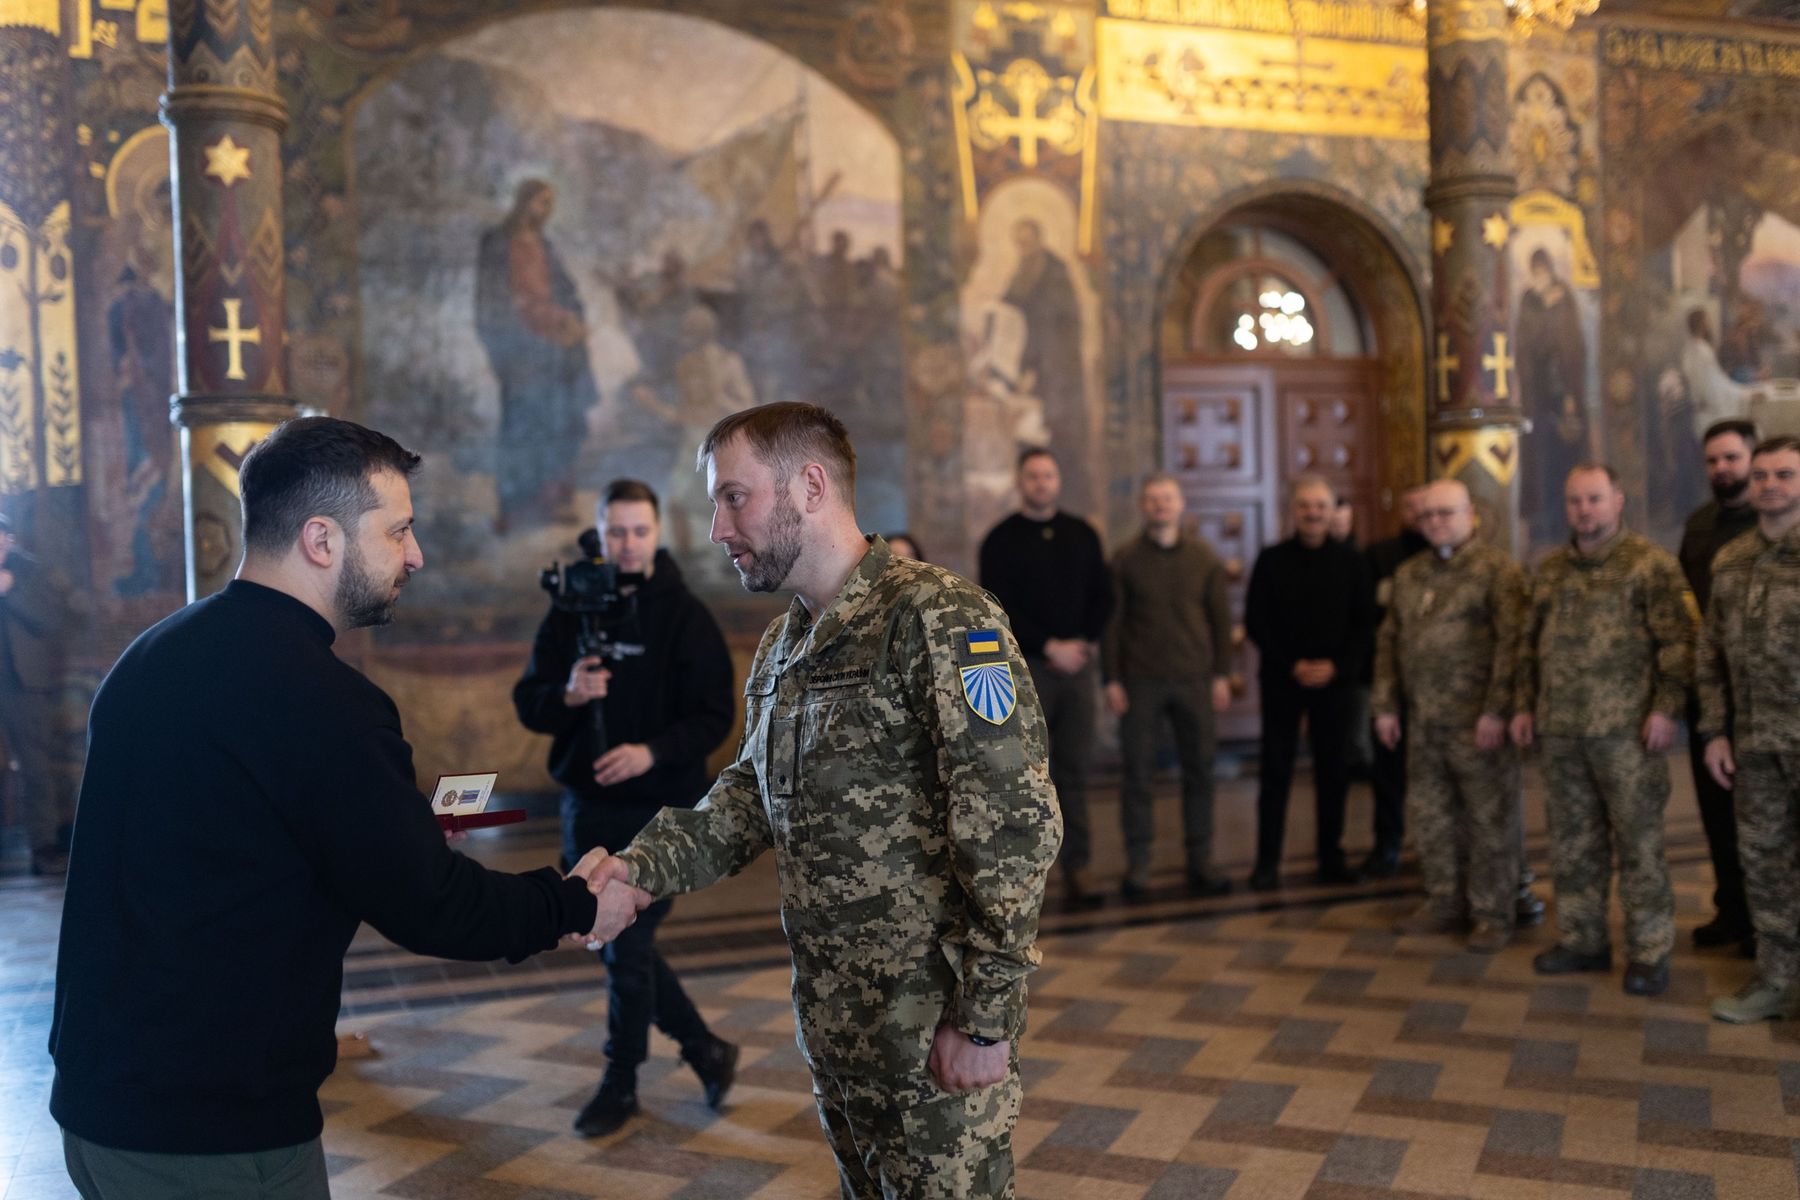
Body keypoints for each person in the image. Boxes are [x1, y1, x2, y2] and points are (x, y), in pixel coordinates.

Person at [49, 418, 616, 1199]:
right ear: (322, 539)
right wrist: (577, 900)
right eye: (398, 531)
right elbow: (437, 908)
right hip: (211, 1133)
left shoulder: (150, 655)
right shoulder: (327, 703)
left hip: (103, 1101)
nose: (415, 555)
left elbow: (237, 835)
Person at [580, 402, 1059, 1196]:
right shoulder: (784, 642)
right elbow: (749, 796)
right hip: (837, 1029)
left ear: (809, 485)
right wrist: (638, 871)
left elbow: (1013, 824)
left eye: (734, 497)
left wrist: (984, 1016)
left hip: (929, 1027)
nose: (716, 529)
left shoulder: (938, 618)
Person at [512, 479, 739, 1138]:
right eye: (616, 532)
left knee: (627, 943)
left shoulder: (685, 615)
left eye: (640, 532)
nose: (628, 544)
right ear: (600, 532)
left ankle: (620, 1080)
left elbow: (714, 716)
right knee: (613, 941)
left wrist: (650, 752)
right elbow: (530, 700)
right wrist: (570, 695)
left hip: (660, 813)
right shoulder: (573, 609)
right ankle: (706, 1050)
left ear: (658, 532)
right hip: (588, 809)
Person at [1512, 465, 1695, 997]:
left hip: (1627, 733)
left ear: (1618, 500)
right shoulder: (1549, 572)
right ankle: (1583, 939)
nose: (1584, 510)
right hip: (1563, 732)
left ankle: (1649, 950)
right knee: (1572, 843)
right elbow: (1529, 646)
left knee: (1639, 844)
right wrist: (1524, 706)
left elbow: (1679, 644)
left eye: (1594, 499)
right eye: (1574, 501)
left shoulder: (1650, 565)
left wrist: (1666, 709)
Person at [1374, 479, 1528, 954]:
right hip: (1423, 723)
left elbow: (1514, 645)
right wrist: (1384, 705)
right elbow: (1388, 643)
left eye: (1446, 513)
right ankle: (1443, 901)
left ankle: (1492, 912)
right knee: (1432, 817)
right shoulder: (1409, 574)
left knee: (1489, 821)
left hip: (1478, 724)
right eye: (1428, 515)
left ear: (1470, 515)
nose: (1436, 522)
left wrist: (1498, 709)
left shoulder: (1497, 571)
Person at [981, 448, 1112, 908]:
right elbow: (996, 608)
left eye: (1048, 475)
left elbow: (1103, 594)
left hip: (1078, 668)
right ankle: (1023, 877)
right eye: (1033, 476)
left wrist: (1082, 643)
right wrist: (1048, 646)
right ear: (1021, 482)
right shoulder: (1000, 540)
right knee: (1024, 775)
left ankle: (1080, 868)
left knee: (1075, 771)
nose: (1041, 482)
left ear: (1058, 481)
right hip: (1028, 668)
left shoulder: (1083, 534)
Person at [1699, 436, 1800, 1023]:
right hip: (1754, 744)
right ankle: (1777, 980)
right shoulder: (1730, 561)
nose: (1769, 485)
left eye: (1784, 474)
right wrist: (1714, 730)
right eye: (1760, 475)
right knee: (1764, 862)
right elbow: (1709, 652)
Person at [1101, 475, 1233, 903]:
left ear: (1181, 504)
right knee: (1137, 774)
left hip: (1196, 678)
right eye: (1153, 499)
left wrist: (1221, 676)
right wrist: (1112, 679)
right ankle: (1138, 863)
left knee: (1200, 771)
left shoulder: (1205, 558)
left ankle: (1202, 859)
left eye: (1168, 498)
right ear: (1143, 505)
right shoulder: (1123, 559)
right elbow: (1112, 626)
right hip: (1140, 681)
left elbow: (1221, 622)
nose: (1161, 505)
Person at [1244, 475, 1374, 890]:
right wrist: (1293, 665)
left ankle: (1331, 859)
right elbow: (1256, 622)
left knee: (1333, 772)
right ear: (1293, 510)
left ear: (1332, 510)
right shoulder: (1271, 559)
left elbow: (1365, 625)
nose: (1313, 513)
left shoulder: (1353, 562)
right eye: (1305, 506)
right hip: (1284, 680)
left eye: (1321, 506)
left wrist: (1337, 668)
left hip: (1335, 683)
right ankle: (1267, 863)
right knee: (1275, 772)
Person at [1678, 418, 1760, 957]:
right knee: (1716, 811)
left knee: (1763, 816)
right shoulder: (1701, 523)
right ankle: (1732, 910)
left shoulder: (1776, 524)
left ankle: (1766, 923)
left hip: (1763, 692)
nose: (1722, 469)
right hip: (1709, 690)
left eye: (1731, 458)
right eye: (1712, 461)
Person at [475, 179, 599, 531]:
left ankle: (555, 500)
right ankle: (514, 506)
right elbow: (491, 301)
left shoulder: (546, 245)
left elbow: (566, 289)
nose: (543, 211)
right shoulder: (497, 243)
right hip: (522, 352)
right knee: (521, 428)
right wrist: (509, 344)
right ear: (523, 202)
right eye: (539, 202)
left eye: (549, 205)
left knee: (559, 425)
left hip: (555, 351)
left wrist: (570, 318)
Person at [1359, 484, 1431, 878]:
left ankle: (1437, 852)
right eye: (1413, 506)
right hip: (1392, 684)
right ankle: (1387, 844)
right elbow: (1371, 620)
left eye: (1430, 508)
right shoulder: (1379, 555)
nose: (1422, 515)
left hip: (1443, 693)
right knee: (1388, 773)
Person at [0, 512, 74, 875]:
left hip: (22, 685)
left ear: (9, 540)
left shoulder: (30, 572)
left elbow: (49, 619)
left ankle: (42, 849)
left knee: (35, 769)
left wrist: (10, 589)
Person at [1001, 218, 1090, 511]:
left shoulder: (1053, 272)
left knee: (1058, 431)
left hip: (1055, 368)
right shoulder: (1027, 268)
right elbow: (1012, 303)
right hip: (1035, 361)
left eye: (1028, 242)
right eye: (1020, 243)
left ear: (1038, 240)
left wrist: (1033, 366)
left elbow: (1051, 323)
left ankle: (1075, 501)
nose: (1024, 249)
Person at [1515, 249, 1589, 545]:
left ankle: (1565, 522)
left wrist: (1571, 393)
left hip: (1564, 393)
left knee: (1566, 458)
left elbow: (1571, 345)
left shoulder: (1564, 297)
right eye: (1536, 269)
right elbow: (1524, 342)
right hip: (1536, 397)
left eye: (1543, 268)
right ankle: (1541, 525)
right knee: (1538, 459)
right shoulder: (1528, 300)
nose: (1540, 273)